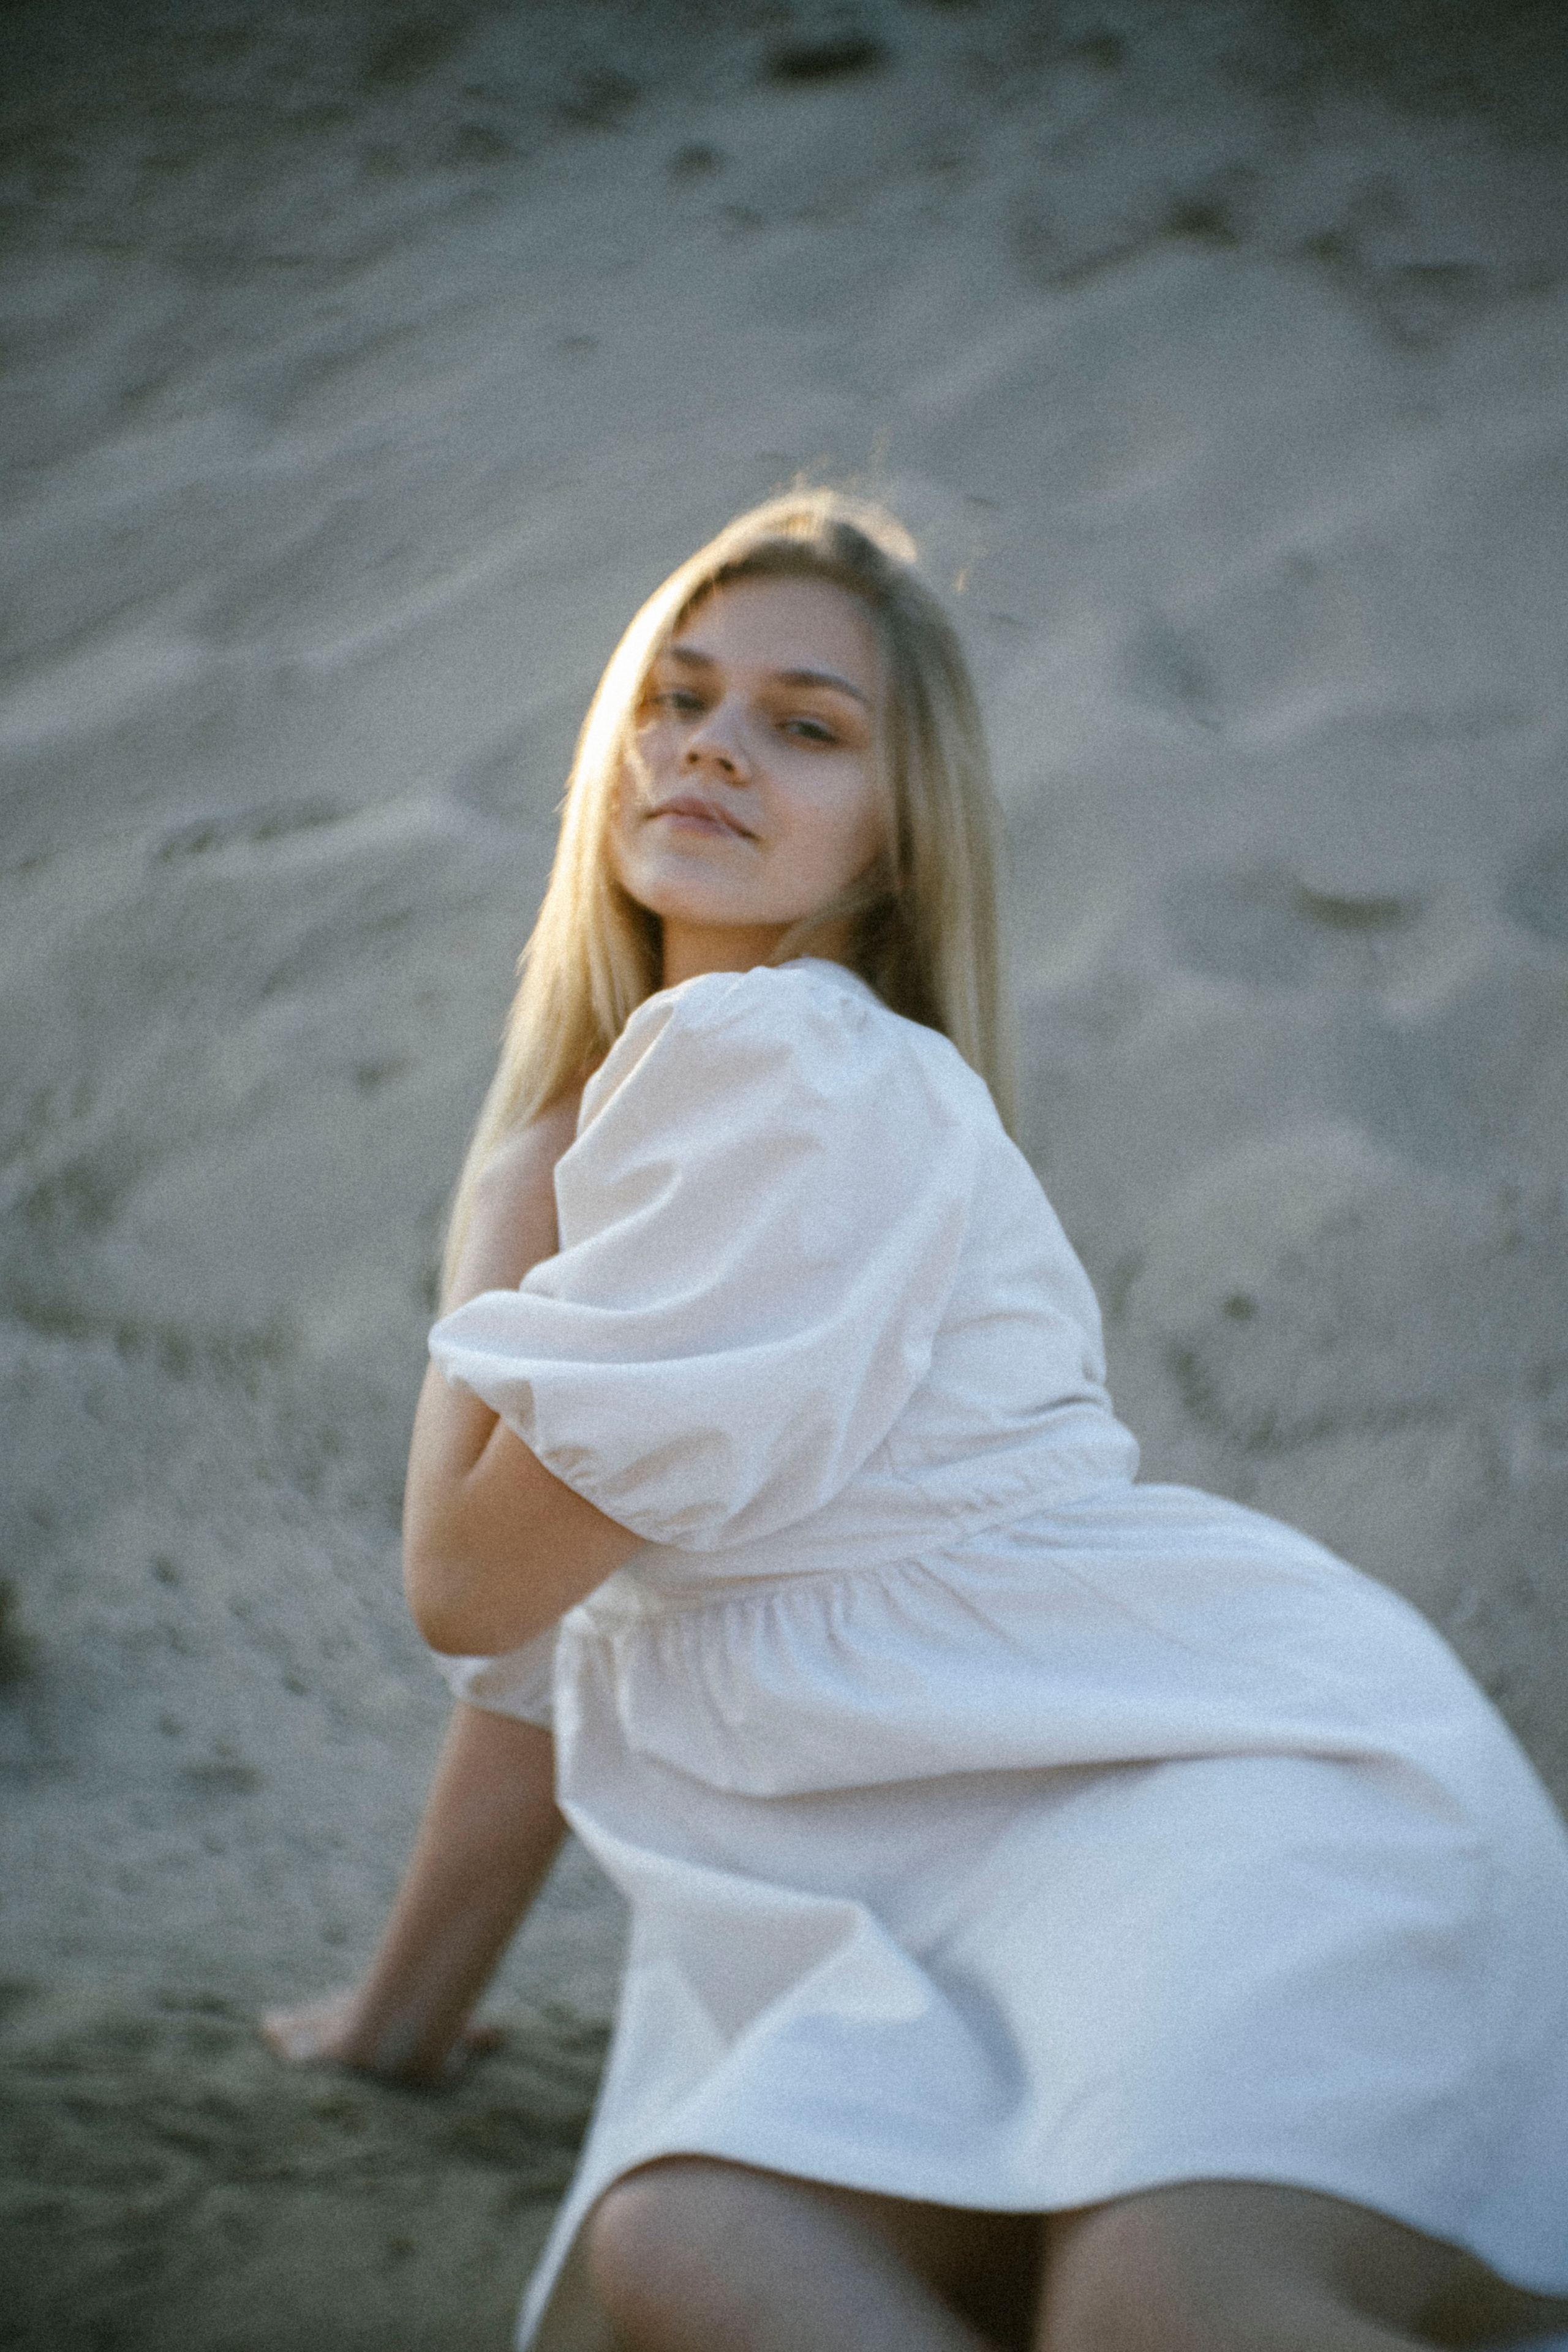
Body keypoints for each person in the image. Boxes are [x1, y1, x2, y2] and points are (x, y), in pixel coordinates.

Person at [264, 492, 1568, 2352]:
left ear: (896, 840)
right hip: (931, 1918)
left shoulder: (788, 1068)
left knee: (1160, 2311)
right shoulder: (674, 1109)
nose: (715, 742)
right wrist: (402, 2018)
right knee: (688, 2242)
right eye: (678, 696)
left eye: (805, 724)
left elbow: (468, 1582)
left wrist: (499, 1209)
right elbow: (561, 1637)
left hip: (1217, 1799)